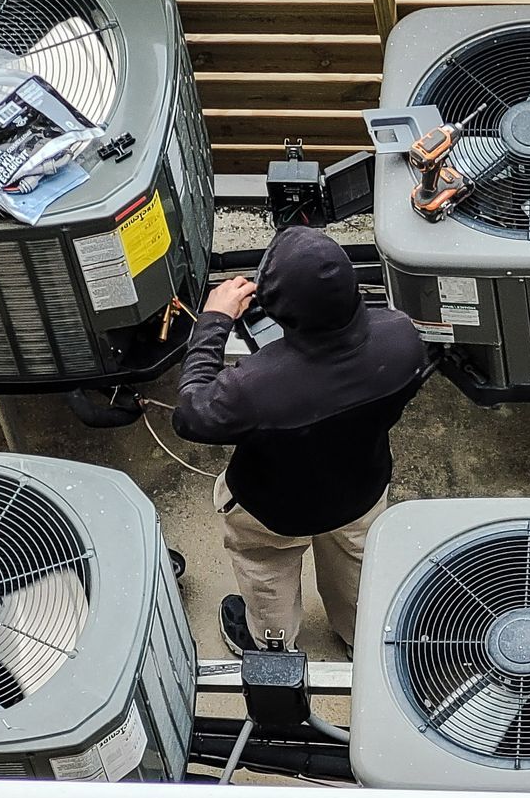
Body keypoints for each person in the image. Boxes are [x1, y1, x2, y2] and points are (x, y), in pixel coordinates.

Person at [175, 226, 429, 655]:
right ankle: (358, 638)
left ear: (277, 312)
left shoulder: (252, 388)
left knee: (265, 568)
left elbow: (190, 415)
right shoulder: (403, 339)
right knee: (356, 565)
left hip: (272, 508)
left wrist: (214, 321)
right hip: (360, 490)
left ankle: (275, 646)